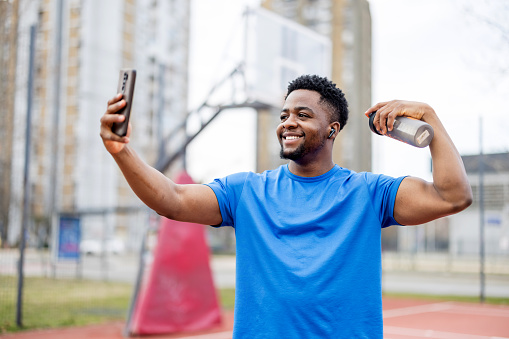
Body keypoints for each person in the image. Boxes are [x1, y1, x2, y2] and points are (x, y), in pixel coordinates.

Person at [100, 74, 472, 338]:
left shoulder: (367, 192)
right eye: (284, 116)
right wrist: (122, 151)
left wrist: (431, 119)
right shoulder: (247, 190)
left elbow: (452, 196)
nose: (287, 123)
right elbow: (172, 200)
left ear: (333, 129)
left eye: (303, 115)